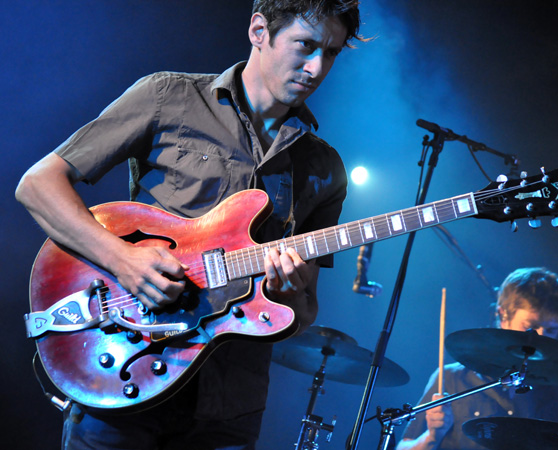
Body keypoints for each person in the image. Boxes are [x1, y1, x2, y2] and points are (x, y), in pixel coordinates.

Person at [15, 1, 366, 449]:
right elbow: (38, 185)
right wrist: (122, 260)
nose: (316, 67)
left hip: (228, 410)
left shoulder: (325, 168)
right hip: (126, 372)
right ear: (259, 30)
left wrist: (285, 293)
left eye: (331, 53)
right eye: (306, 45)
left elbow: (305, 310)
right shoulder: (169, 97)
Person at [397, 267, 558, 450]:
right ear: (502, 315)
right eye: (531, 326)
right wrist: (432, 437)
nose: (540, 338)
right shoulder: (452, 377)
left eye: (551, 330)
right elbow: (401, 448)